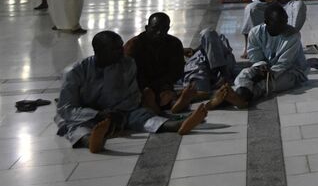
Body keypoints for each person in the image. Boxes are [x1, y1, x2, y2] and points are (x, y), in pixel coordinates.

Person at [55, 31, 208, 152]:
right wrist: (98, 115)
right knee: (70, 124)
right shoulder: (75, 72)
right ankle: (91, 141)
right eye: (115, 49)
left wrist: (119, 113)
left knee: (140, 115)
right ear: (99, 52)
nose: (121, 51)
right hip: (87, 113)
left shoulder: (127, 64)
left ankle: (174, 125)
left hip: (120, 111)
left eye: (120, 47)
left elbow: (132, 95)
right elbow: (66, 109)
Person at [211, 3, 308, 107]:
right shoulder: (255, 33)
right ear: (266, 22)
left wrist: (268, 73)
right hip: (264, 68)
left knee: (268, 84)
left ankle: (238, 98)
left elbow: (284, 63)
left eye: (285, 21)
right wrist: (261, 67)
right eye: (278, 23)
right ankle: (239, 98)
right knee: (244, 74)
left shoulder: (293, 35)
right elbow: (255, 57)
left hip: (291, 71)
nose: (284, 26)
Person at [124, 12, 194, 113]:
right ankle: (162, 107)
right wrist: (149, 89)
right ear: (147, 27)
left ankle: (173, 103)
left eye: (163, 29)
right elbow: (128, 76)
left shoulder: (174, 43)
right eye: (155, 29)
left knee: (167, 95)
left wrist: (162, 86)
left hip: (163, 84)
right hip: (140, 86)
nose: (159, 33)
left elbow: (177, 71)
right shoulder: (133, 46)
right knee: (146, 97)